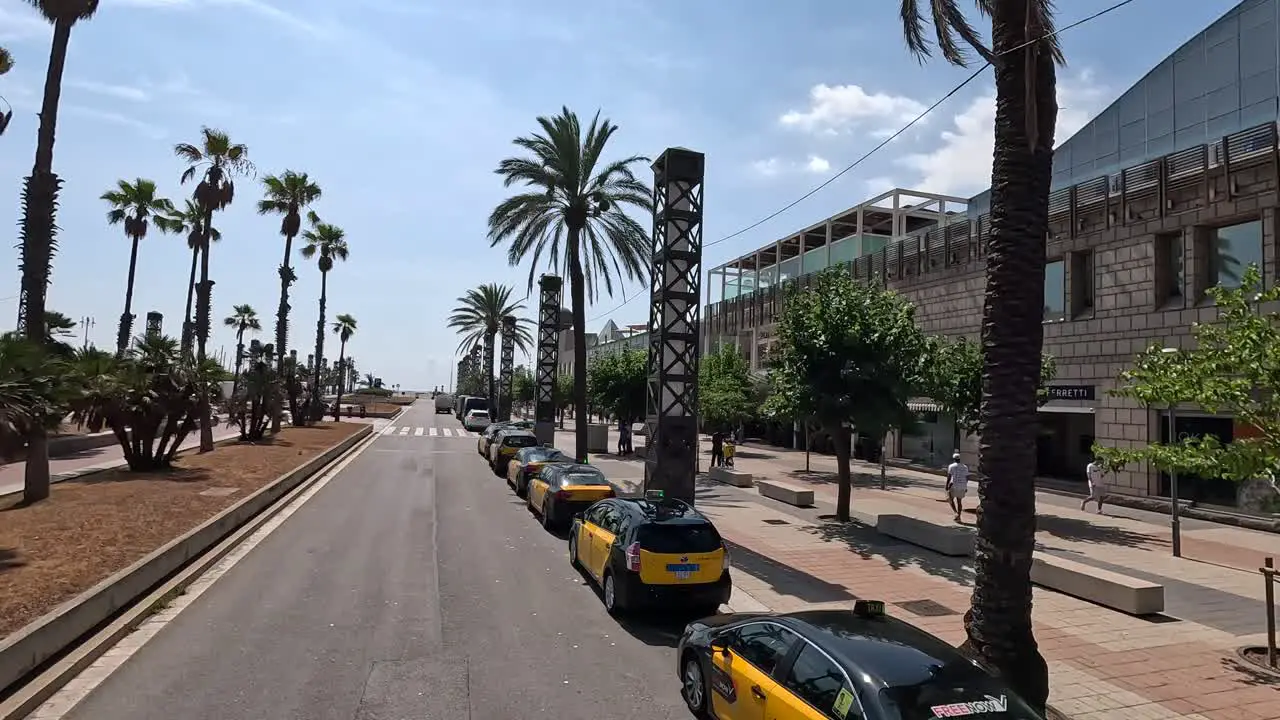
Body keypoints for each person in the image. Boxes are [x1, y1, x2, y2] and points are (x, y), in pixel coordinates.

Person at [945, 452, 969, 523]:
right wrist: (965, 486)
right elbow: (967, 478)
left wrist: (947, 485)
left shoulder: (951, 466)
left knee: (949, 498)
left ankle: (956, 513)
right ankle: (959, 516)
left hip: (954, 485)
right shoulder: (965, 467)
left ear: (954, 459)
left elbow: (949, 477)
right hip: (962, 486)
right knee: (959, 502)